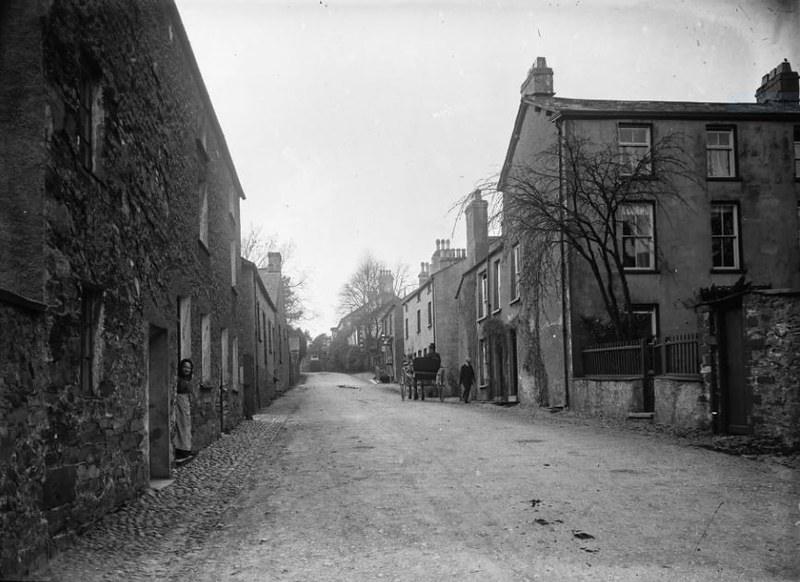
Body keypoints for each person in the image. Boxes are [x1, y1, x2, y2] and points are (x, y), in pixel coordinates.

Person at [174, 358, 194, 460]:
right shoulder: (178, 380)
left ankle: (187, 449)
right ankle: (180, 450)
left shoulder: (188, 380)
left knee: (186, 427)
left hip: (186, 404)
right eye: (185, 367)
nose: (187, 369)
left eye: (189, 368)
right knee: (180, 426)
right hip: (179, 404)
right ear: (181, 368)